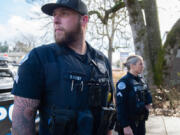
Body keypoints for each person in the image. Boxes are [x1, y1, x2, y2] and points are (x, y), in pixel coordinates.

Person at [11, 0, 115, 135]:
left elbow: (108, 112)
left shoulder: (102, 61)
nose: (55, 20)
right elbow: (22, 121)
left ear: (84, 20)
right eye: (54, 15)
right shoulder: (39, 58)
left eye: (64, 14)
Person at [115, 55, 152, 135]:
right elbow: (120, 106)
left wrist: (148, 103)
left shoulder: (141, 80)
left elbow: (147, 94)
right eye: (140, 64)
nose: (143, 66)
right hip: (129, 124)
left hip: (141, 122)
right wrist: (125, 126)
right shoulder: (124, 82)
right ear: (132, 66)